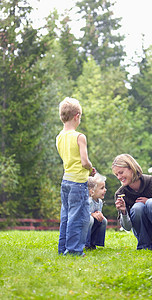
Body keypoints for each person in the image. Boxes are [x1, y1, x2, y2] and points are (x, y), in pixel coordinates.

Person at [56, 97, 96, 257]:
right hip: (78, 183)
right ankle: (73, 250)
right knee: (78, 217)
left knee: (66, 215)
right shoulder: (80, 137)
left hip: (65, 181)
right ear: (77, 116)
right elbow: (84, 161)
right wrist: (91, 168)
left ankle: (63, 248)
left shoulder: (59, 137)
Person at [85, 173, 107, 250]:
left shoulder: (100, 202)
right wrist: (91, 214)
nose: (105, 190)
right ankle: (86, 243)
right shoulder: (88, 201)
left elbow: (98, 212)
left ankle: (95, 243)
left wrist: (99, 214)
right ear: (92, 191)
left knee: (104, 220)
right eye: (102, 188)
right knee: (90, 219)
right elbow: (83, 213)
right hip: (84, 223)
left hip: (93, 223)